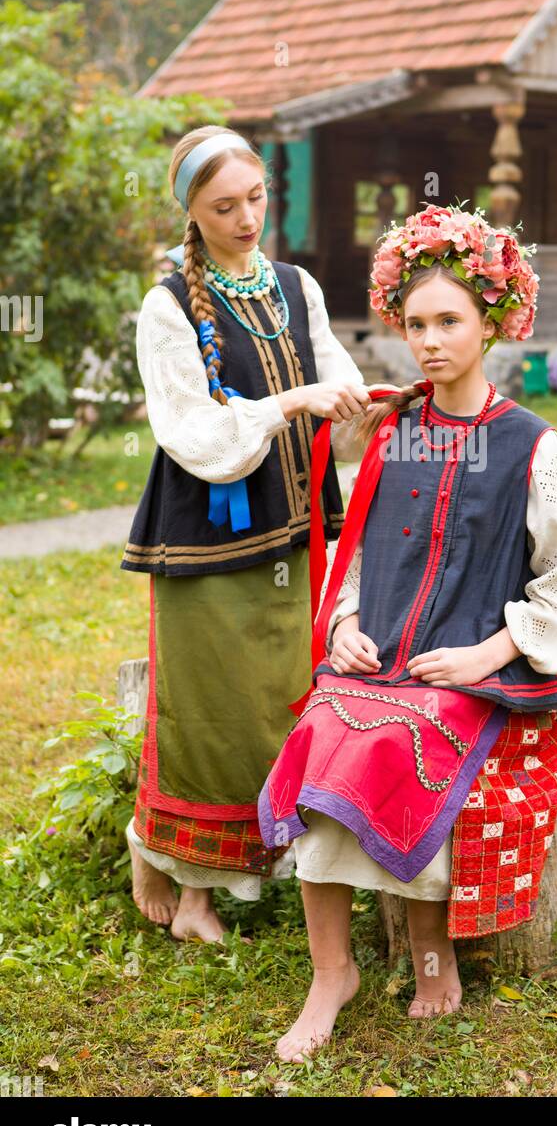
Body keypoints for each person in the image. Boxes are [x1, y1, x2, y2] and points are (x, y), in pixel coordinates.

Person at [257, 202, 557, 1061]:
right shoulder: (392, 430)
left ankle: (428, 950)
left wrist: (490, 651)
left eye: (450, 321)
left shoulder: (530, 443)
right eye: (416, 324)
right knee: (324, 731)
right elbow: (361, 556)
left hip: (474, 665)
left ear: (493, 321)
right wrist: (342, 628)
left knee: (406, 739)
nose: (431, 340)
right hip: (381, 656)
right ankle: (329, 972)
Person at [120, 125, 390, 942]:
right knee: (213, 706)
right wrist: (287, 405)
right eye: (224, 206)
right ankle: (183, 881)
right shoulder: (167, 307)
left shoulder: (294, 285)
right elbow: (190, 430)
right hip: (208, 533)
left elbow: (332, 370)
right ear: (192, 214)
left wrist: (360, 398)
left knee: (284, 693)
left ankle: (278, 864)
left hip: (293, 518)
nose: (246, 218)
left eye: (256, 199)